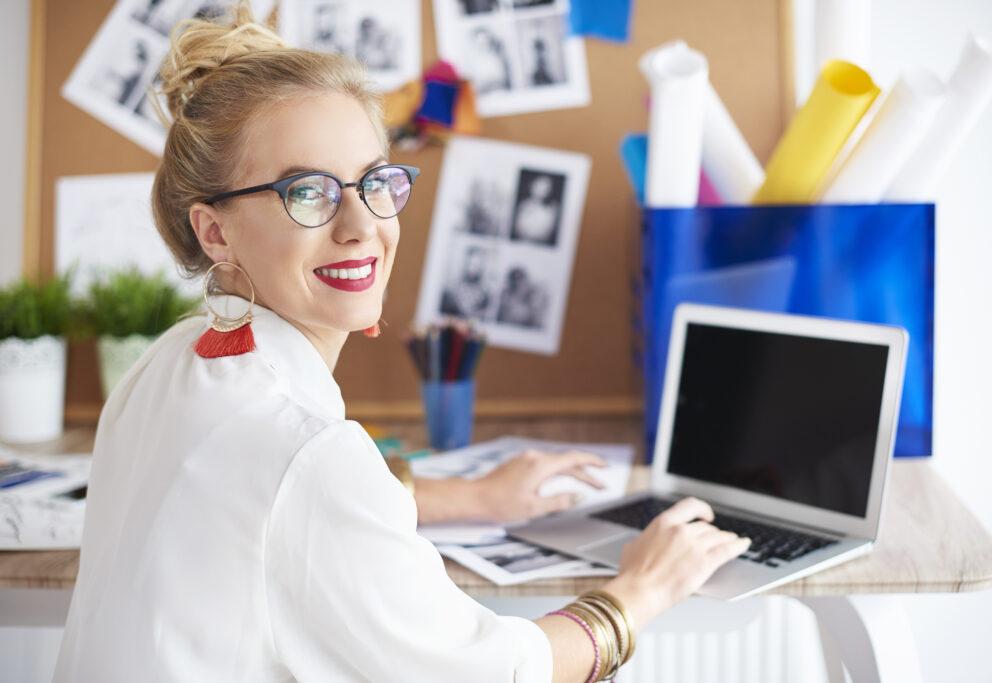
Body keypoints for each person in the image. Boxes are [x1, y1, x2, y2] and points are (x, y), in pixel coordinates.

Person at [54, 4, 751, 681]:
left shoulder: (167, 363)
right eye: (307, 192)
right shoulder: (303, 449)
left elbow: (272, 511)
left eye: (374, 182)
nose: (362, 225)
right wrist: (637, 593)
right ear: (215, 232)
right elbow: (496, 672)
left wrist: (472, 498)